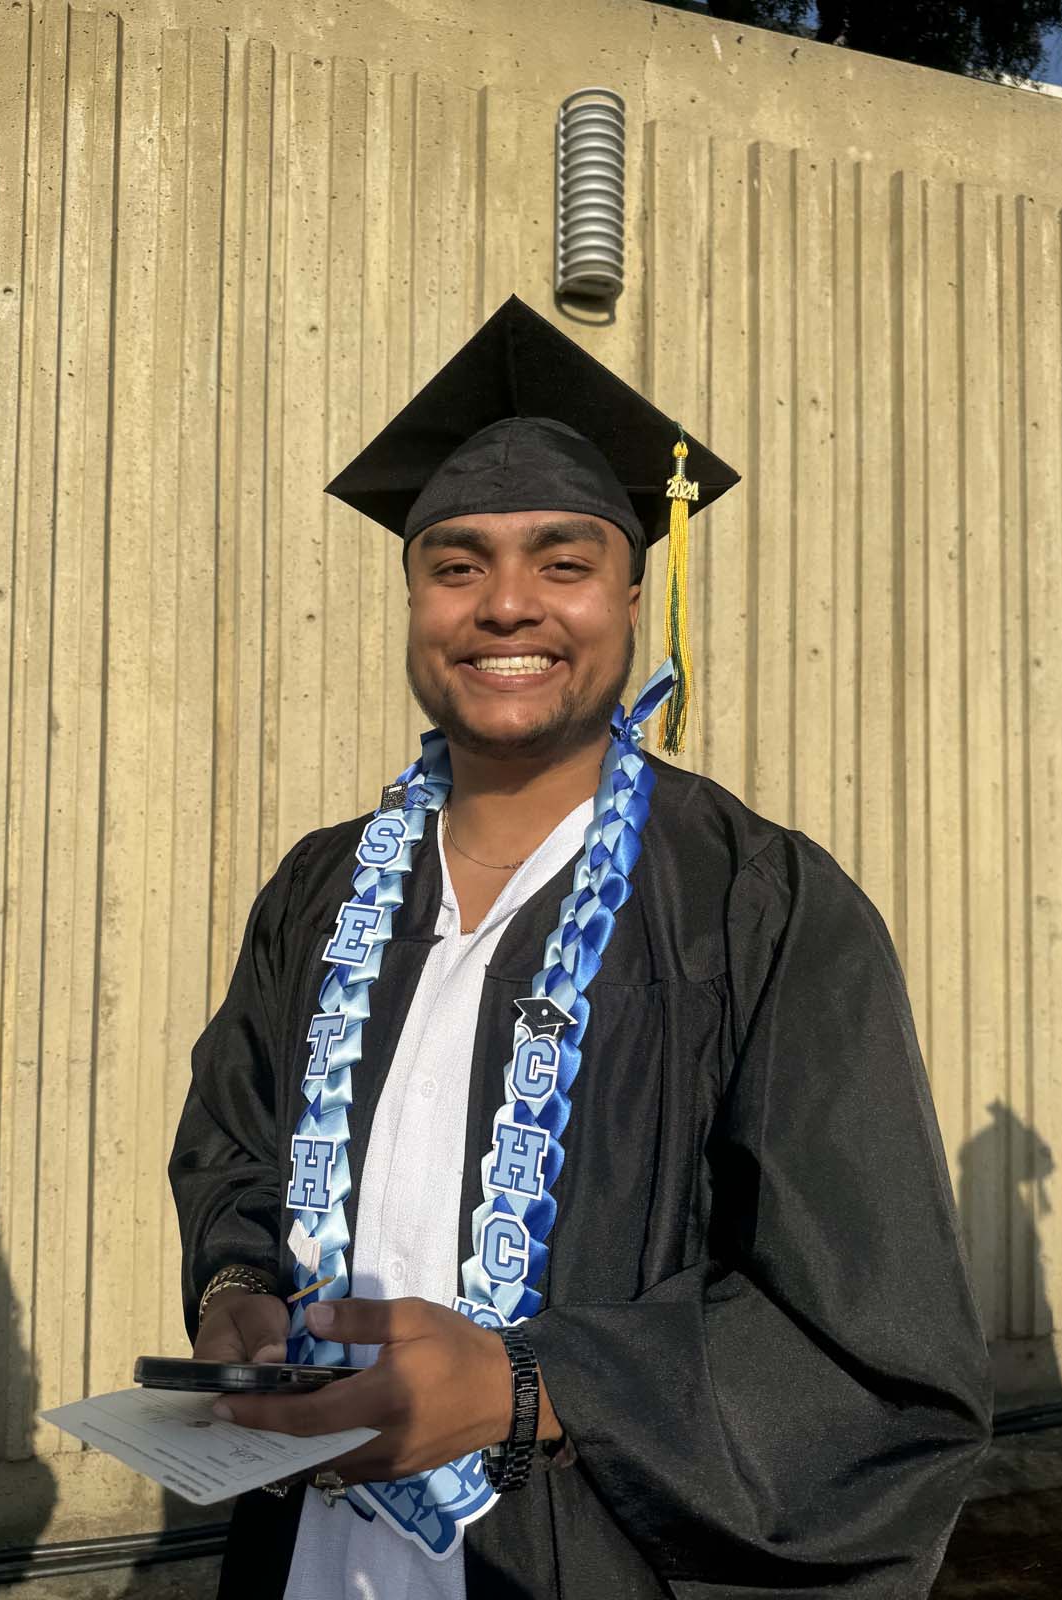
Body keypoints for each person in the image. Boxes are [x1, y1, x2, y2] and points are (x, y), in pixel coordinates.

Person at [169, 296, 991, 1599]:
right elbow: (234, 1139)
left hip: (584, 1559)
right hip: (310, 1552)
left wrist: (530, 1387)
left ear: (631, 590)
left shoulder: (757, 904)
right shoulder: (322, 890)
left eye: (562, 562)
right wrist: (234, 1289)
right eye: (456, 564)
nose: (506, 605)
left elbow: (871, 1353)